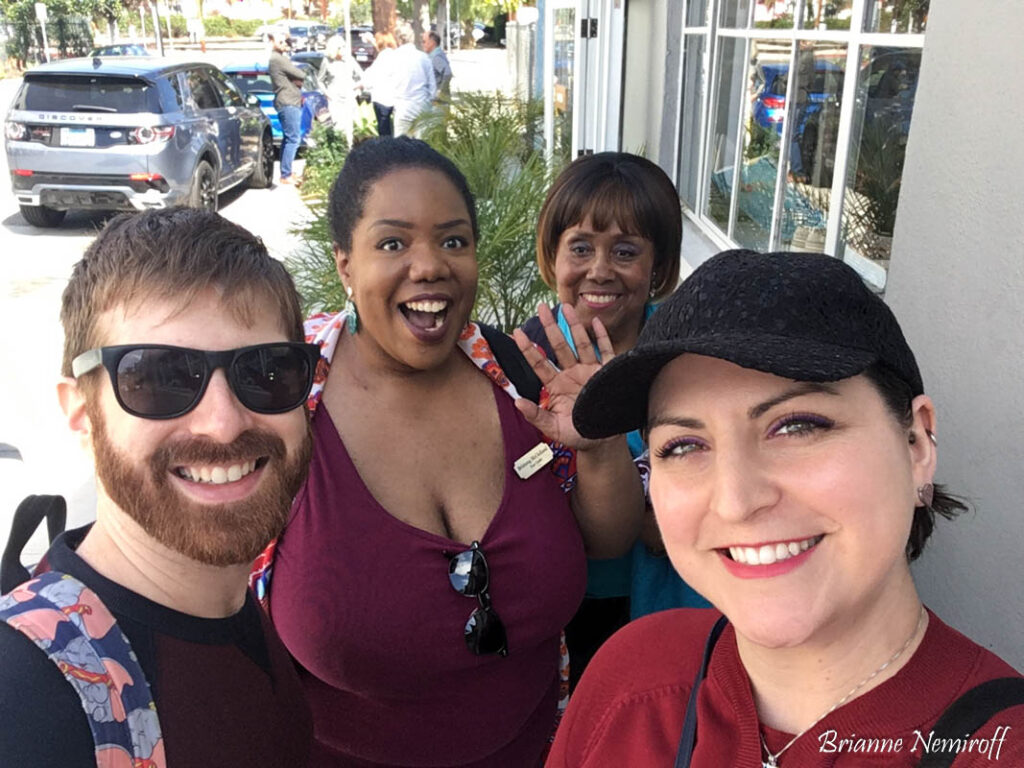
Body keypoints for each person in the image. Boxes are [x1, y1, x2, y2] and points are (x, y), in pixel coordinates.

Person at [253, 136, 644, 767]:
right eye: (392, 242)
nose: (430, 264)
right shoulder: (283, 400)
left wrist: (596, 447)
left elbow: (606, 541)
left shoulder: (520, 372)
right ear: (344, 264)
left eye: (454, 240)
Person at [549, 249, 1024, 767]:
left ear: (917, 443)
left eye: (799, 426)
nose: (736, 500)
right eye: (684, 445)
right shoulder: (632, 679)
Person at [0, 208, 316, 766]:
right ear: (81, 411)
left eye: (265, 370)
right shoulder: (27, 697)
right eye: (158, 377)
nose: (224, 423)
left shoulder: (227, 605)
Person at [521, 151, 707, 690]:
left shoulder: (687, 364)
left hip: (662, 606)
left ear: (658, 268)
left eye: (625, 251)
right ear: (552, 256)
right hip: (558, 611)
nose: (599, 269)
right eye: (580, 247)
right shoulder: (519, 362)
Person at [268, 30, 307, 184]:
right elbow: (300, 74)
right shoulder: (277, 59)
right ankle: (286, 175)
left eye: (286, 42)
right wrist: (296, 77)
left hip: (289, 101)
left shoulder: (280, 58)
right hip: (288, 102)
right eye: (281, 41)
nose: (285, 44)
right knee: (293, 139)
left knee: (288, 138)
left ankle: (286, 172)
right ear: (272, 42)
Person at [389, 24, 436, 136]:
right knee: (422, 146)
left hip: (403, 106)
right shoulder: (424, 57)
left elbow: (389, 83)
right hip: (422, 105)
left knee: (401, 147)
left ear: (397, 39)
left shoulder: (393, 58)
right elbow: (432, 86)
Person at [320, 34, 363, 139]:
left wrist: (355, 89)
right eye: (341, 47)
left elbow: (362, 77)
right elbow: (320, 80)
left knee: (350, 129)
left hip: (348, 98)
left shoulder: (349, 60)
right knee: (338, 128)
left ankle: (350, 150)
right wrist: (327, 94)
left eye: (344, 46)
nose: (343, 49)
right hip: (335, 100)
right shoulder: (327, 61)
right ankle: (340, 151)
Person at [364, 31, 398, 136]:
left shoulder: (382, 57)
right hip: (394, 97)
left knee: (384, 129)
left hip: (382, 98)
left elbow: (371, 78)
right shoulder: (394, 55)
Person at [422, 29, 452, 104]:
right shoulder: (435, 55)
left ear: (432, 43)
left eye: (424, 42)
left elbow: (448, 73)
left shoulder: (436, 57)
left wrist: (440, 92)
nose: (423, 45)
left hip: (438, 102)